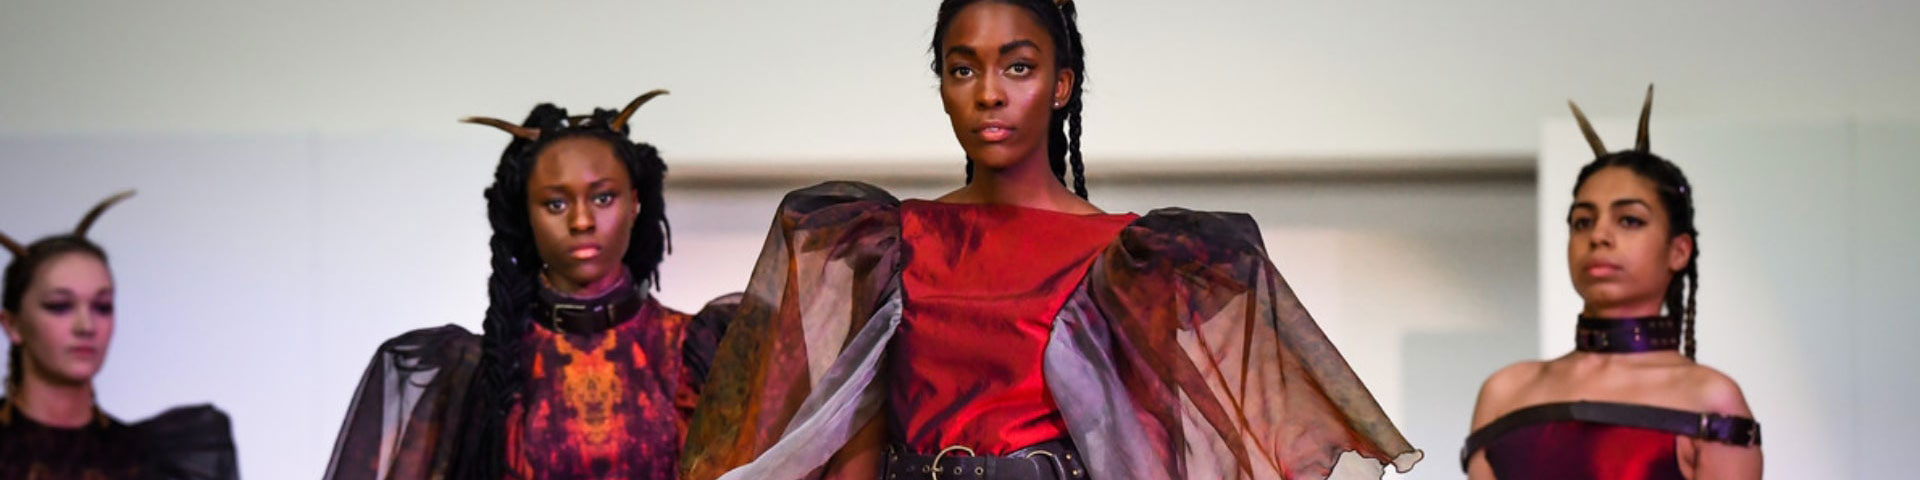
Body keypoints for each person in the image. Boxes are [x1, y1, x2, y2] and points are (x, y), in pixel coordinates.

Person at [678, 1, 1420, 478]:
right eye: (962, 68)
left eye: (1019, 67)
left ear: (1062, 87)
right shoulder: (884, 240)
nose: (990, 92)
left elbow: (1162, 450)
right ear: (942, 85)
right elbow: (857, 439)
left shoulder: (1136, 256)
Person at [324, 91, 733, 479]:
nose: (581, 221)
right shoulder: (472, 378)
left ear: (636, 202)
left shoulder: (702, 353)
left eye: (603, 197)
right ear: (527, 213)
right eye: (556, 203)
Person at [1463, 86, 1763, 479]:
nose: (1599, 236)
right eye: (1583, 222)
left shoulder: (1711, 399)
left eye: (1630, 220)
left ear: (1679, 251)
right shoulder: (1505, 393)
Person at [0, 191, 239, 479]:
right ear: (11, 325)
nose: (86, 326)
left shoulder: (155, 460)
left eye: (102, 307)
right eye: (59, 306)